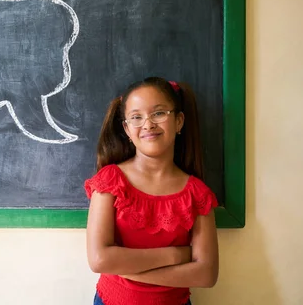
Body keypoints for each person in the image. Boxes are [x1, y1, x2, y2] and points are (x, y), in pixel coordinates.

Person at [84, 77, 219, 305]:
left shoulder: (197, 194)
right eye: (136, 117)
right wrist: (176, 255)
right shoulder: (110, 181)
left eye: (159, 113)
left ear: (178, 121)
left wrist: (127, 269)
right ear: (126, 129)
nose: (147, 124)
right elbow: (99, 260)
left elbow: (206, 274)